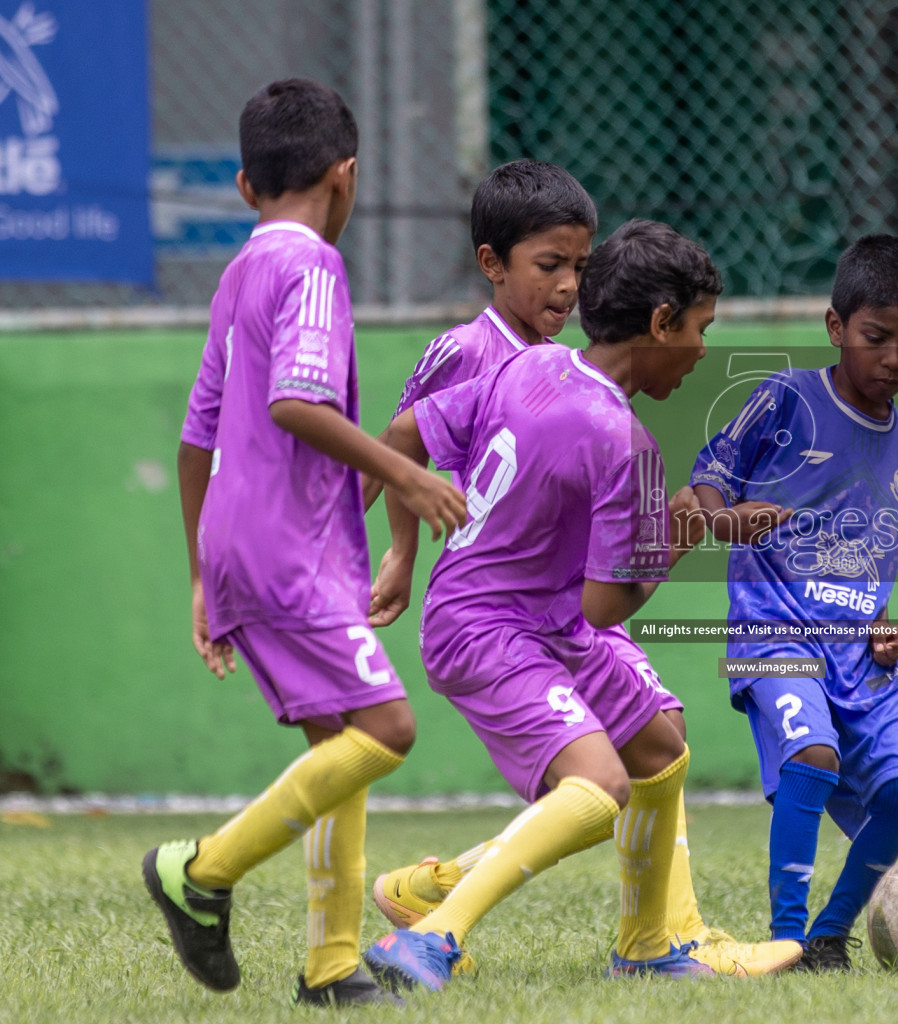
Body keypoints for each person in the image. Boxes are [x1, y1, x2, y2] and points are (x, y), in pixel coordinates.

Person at [364, 161, 788, 977]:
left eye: (577, 268)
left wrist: (418, 543)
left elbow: (404, 438)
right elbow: (605, 604)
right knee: (600, 786)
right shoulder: (624, 445)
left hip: (514, 615)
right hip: (493, 631)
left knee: (659, 744)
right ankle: (431, 933)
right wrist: (691, 533)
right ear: (661, 323)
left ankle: (654, 946)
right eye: (701, 328)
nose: (704, 351)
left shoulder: (531, 364)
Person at [141, 78, 466, 1007]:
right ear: (346, 176)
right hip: (291, 549)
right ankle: (199, 870)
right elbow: (297, 401)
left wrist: (202, 573)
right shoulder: (312, 266)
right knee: (388, 728)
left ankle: (330, 969)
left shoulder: (239, 270)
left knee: (339, 735)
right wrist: (404, 474)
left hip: (242, 544)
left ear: (245, 187)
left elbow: (196, 435)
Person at [690, 234, 898, 971]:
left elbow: (867, 563)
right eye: (877, 338)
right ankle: (787, 937)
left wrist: (884, 629)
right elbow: (712, 476)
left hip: (856, 652)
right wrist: (720, 518)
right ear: (836, 328)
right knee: (814, 752)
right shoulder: (786, 398)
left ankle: (832, 935)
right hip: (775, 639)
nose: (894, 360)